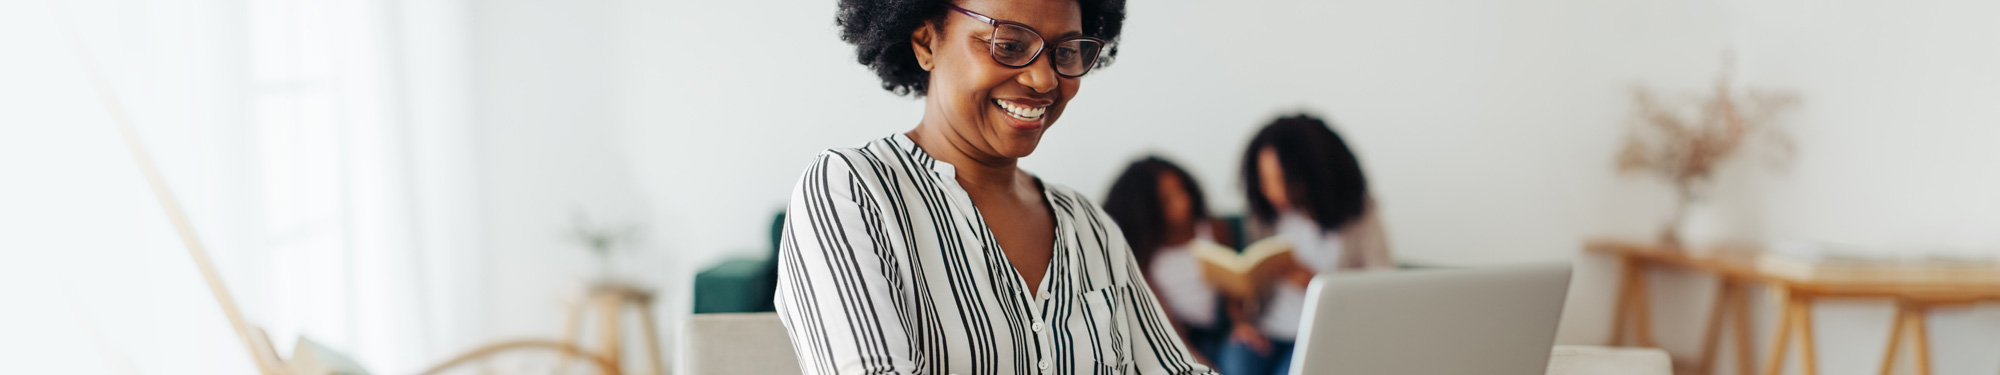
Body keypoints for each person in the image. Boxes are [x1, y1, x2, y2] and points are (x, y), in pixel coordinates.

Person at [773, 0, 1216, 374]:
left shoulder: (1089, 225)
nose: (1044, 80)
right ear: (926, 41)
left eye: (1065, 52)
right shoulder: (852, 191)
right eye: (1008, 45)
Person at [1220, 114, 1394, 375]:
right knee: (1237, 365)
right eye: (1265, 181)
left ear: (1312, 174)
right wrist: (1242, 320)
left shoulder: (1359, 216)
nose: (1273, 192)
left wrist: (1314, 281)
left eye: (1282, 180)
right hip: (1267, 328)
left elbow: (1383, 285)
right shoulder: (1263, 217)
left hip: (1321, 332)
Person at [1101, 157, 1231, 366]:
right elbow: (1162, 322)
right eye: (1168, 199)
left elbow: (1232, 291)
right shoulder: (1141, 255)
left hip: (1221, 331)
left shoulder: (1214, 229)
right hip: (1175, 336)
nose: (1183, 202)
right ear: (1147, 210)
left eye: (1182, 191)